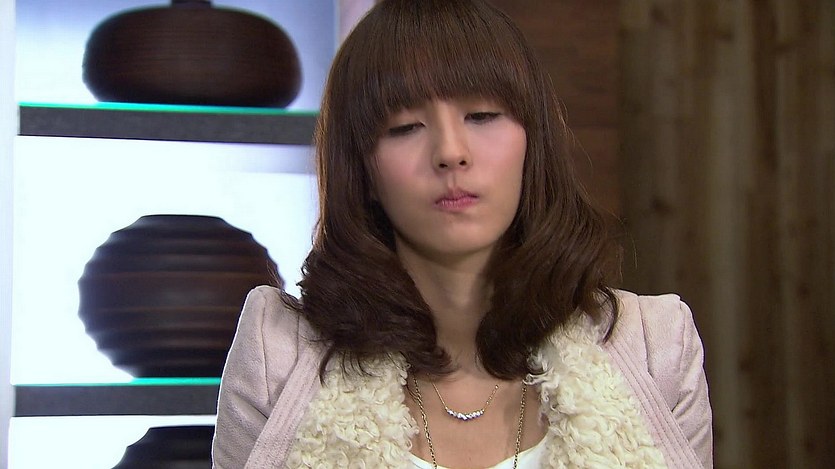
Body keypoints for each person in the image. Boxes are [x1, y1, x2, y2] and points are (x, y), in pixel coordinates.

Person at [212, 0, 713, 467]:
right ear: (361, 170)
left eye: (482, 116)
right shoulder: (277, 356)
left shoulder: (656, 348)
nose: (451, 152)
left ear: (532, 142)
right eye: (405, 126)